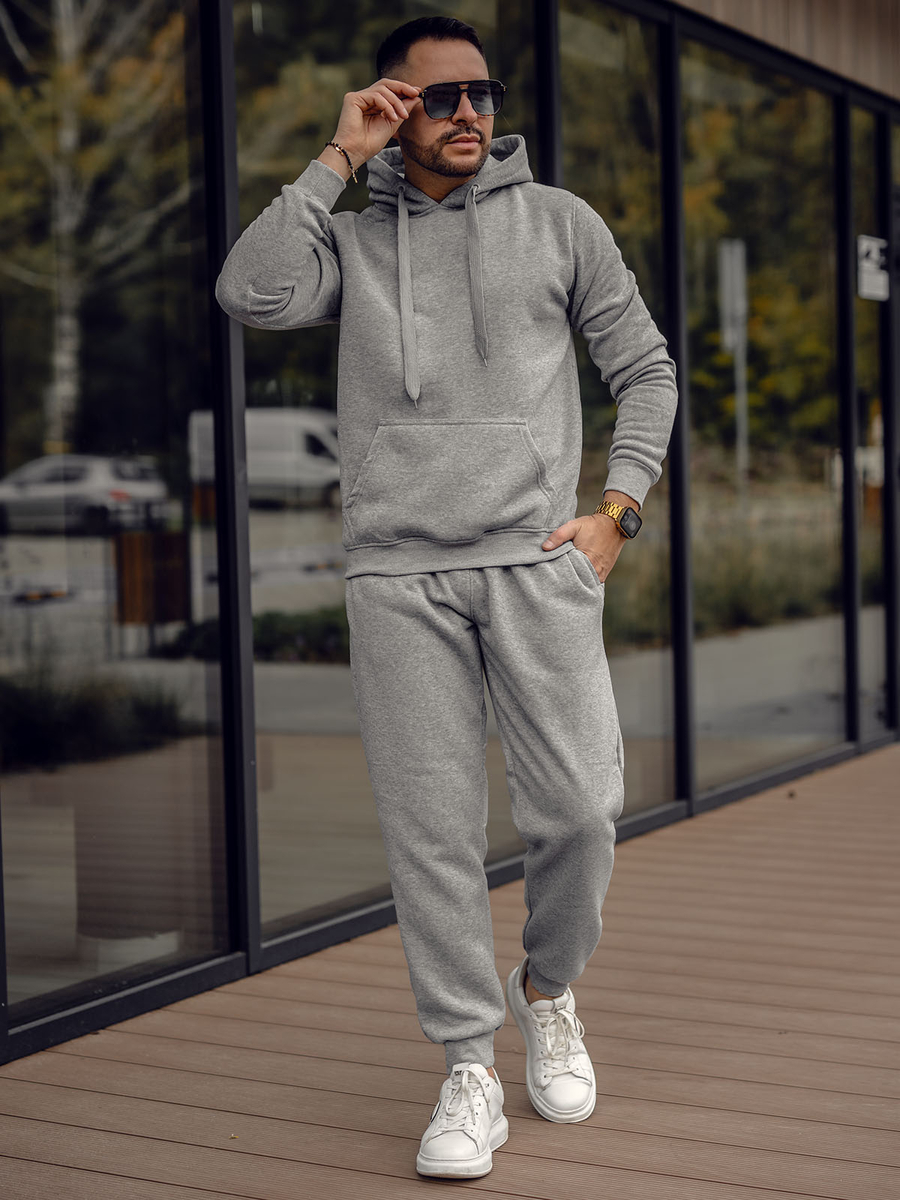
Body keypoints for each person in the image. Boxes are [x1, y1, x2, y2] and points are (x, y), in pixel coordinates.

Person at [215, 14, 678, 1182]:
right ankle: (468, 1065)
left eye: (483, 92)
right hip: (397, 572)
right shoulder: (350, 242)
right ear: (391, 106)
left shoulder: (560, 223)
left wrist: (616, 514)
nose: (470, 112)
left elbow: (646, 370)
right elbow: (249, 292)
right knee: (433, 838)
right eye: (439, 97)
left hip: (537, 561)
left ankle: (549, 990)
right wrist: (337, 157)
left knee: (581, 812)